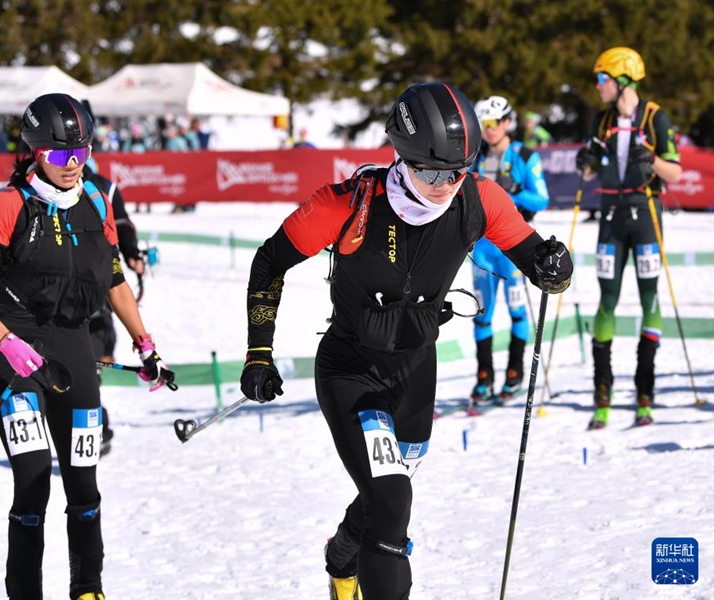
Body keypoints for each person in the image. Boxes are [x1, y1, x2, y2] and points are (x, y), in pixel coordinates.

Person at [238, 82, 573, 600]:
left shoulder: (479, 199)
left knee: (386, 495)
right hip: (352, 368)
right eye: (433, 171)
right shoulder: (348, 203)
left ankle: (341, 556)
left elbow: (536, 260)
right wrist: (259, 352)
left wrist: (554, 267)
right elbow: (269, 262)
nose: (446, 184)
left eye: (458, 171)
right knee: (392, 502)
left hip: (416, 371)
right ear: (403, 156)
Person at [0, 93, 175, 600]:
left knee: (85, 488)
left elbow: (115, 278)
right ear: (36, 153)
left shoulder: (95, 201)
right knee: (33, 487)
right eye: (60, 156)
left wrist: (146, 345)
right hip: (20, 362)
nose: (73, 165)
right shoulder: (9, 205)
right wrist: (5, 340)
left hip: (77, 356)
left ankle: (87, 589)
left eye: (81, 152)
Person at [575, 47, 682, 429]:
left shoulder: (655, 117)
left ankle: (645, 394)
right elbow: (587, 174)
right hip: (610, 218)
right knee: (607, 300)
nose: (597, 86)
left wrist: (650, 158)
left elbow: (675, 175)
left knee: (650, 297)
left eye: (602, 79)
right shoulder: (600, 120)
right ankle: (602, 395)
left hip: (647, 216)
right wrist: (585, 164)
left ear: (622, 81)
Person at [469, 96, 550, 403]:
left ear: (506, 123)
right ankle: (484, 378)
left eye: (493, 124)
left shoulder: (524, 156)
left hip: (513, 246)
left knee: (517, 309)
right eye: (484, 125)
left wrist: (513, 190)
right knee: (481, 312)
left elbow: (541, 198)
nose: (489, 130)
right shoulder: (475, 157)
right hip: (481, 248)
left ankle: (514, 373)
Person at [84, 156, 146, 456]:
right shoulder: (39, 188)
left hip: (97, 297)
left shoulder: (104, 188)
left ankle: (97, 431)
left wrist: (132, 253)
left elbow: (122, 223)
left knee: (88, 374)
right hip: (53, 305)